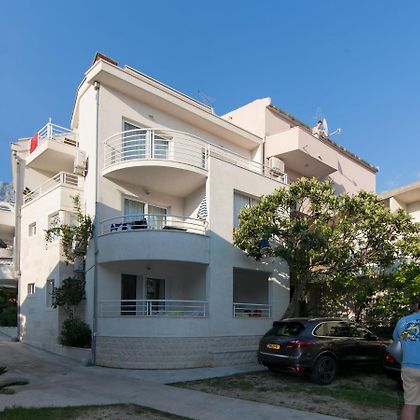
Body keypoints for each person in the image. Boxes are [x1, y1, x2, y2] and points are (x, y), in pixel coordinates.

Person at [393, 301, 420, 420]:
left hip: (409, 367)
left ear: (417, 305)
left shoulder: (403, 321)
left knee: (410, 405)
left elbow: (397, 339)